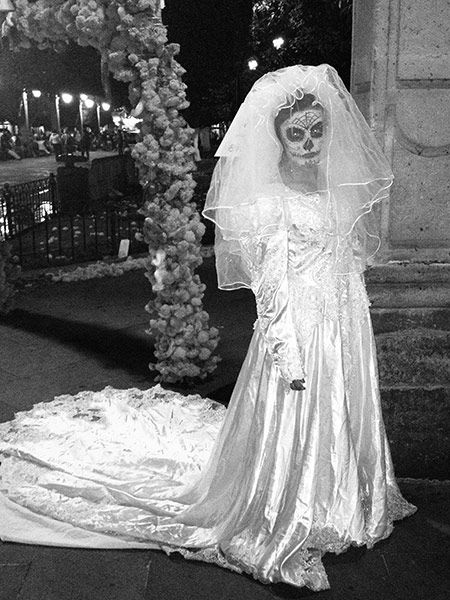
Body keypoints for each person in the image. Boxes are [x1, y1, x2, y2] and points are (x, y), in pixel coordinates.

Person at [0, 65, 416, 592]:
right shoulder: (269, 203)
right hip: (299, 329)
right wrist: (287, 352)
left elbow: (349, 256)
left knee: (342, 411)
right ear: (277, 138)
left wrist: (352, 313)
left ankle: (345, 499)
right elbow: (272, 286)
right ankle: (292, 510)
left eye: (317, 130)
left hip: (341, 322)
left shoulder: (337, 190)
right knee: (298, 421)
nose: (309, 143)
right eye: (296, 132)